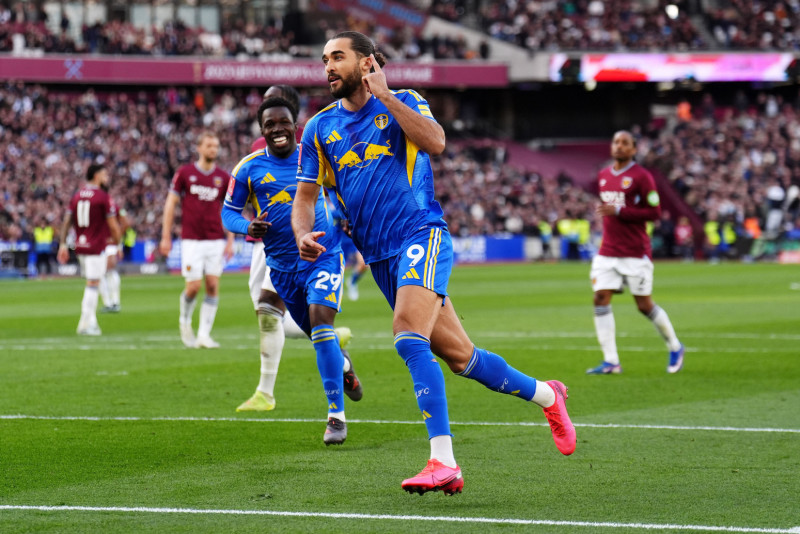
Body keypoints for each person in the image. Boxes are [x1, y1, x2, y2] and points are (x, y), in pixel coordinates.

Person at [293, 31, 575, 495]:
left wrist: (385, 96)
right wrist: (303, 232)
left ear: (366, 63)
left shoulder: (404, 100)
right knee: (462, 358)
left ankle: (443, 461)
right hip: (379, 255)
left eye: (337, 57)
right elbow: (305, 195)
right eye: (324, 59)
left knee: (408, 336)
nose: (328, 67)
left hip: (420, 234)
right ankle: (549, 395)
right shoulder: (319, 128)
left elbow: (436, 142)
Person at [223, 96, 362, 444]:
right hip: (282, 268)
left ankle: (336, 417)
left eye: (283, 122)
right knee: (318, 336)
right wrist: (246, 226)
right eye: (269, 124)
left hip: (322, 255)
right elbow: (228, 213)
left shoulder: (315, 156)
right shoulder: (248, 168)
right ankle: (344, 364)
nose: (277, 129)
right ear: (262, 130)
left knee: (321, 322)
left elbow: (342, 190)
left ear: (295, 124)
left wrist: (347, 219)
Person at [587, 130, 685, 375]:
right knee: (600, 298)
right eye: (616, 142)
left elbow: (654, 213)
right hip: (607, 251)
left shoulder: (642, 177)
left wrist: (620, 211)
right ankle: (611, 361)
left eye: (625, 143)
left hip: (635, 252)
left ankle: (675, 346)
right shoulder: (603, 175)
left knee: (643, 305)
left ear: (633, 149)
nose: (619, 146)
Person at [159, 132, 235, 349]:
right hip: (191, 239)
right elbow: (170, 203)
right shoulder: (185, 173)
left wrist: (230, 239)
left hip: (215, 239)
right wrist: (165, 236)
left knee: (212, 285)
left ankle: (203, 335)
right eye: (209, 145)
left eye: (216, 146)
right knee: (193, 287)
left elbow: (230, 209)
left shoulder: (223, 177)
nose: (213, 149)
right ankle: (184, 321)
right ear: (199, 148)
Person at [56, 163, 122, 336]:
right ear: (96, 176)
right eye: (104, 174)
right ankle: (85, 323)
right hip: (96, 246)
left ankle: (91, 322)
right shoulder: (102, 197)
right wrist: (117, 243)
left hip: (80, 246)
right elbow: (113, 226)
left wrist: (63, 244)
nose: (107, 178)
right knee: (93, 284)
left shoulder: (77, 195)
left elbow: (67, 221)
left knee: (92, 282)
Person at [99, 199, 130, 313]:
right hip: (102, 244)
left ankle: (112, 303)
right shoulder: (112, 206)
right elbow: (125, 222)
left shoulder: (111, 206)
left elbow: (125, 223)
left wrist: (117, 239)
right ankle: (111, 303)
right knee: (103, 273)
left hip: (109, 244)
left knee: (108, 272)